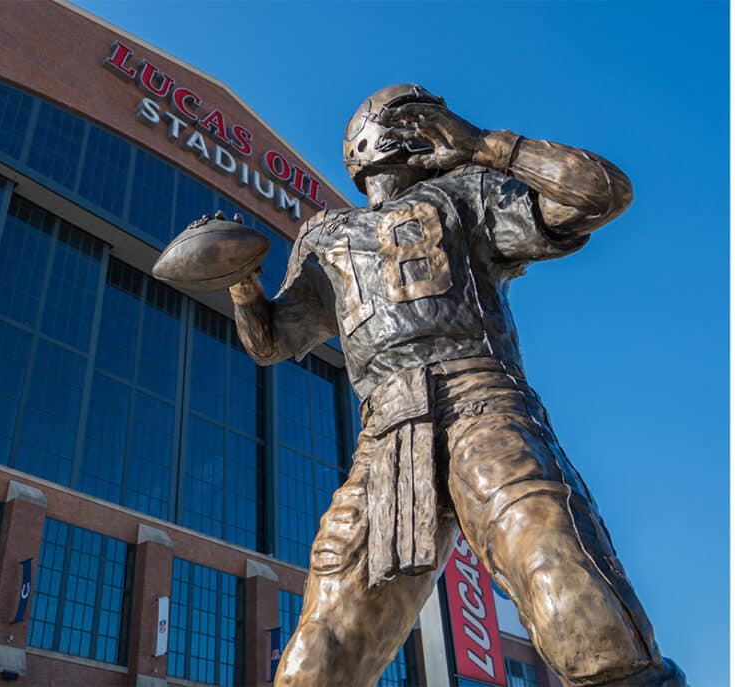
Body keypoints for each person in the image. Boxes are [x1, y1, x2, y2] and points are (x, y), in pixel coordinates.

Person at [226, 84, 687, 687]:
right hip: (387, 438)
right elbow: (271, 342)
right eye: (421, 117)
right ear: (388, 136)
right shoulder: (326, 238)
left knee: (576, 608)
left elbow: (601, 193)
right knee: (316, 662)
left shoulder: (466, 195)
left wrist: (489, 146)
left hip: (480, 403)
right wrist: (239, 281)